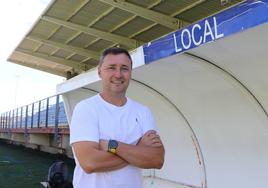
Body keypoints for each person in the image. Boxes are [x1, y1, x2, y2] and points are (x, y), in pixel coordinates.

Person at [69, 47, 165, 188]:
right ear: (99, 72)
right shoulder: (86, 109)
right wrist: (138, 149)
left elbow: (157, 159)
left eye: (124, 68)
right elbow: (90, 163)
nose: (118, 74)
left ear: (130, 73)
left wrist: (112, 146)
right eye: (111, 68)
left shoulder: (143, 111)